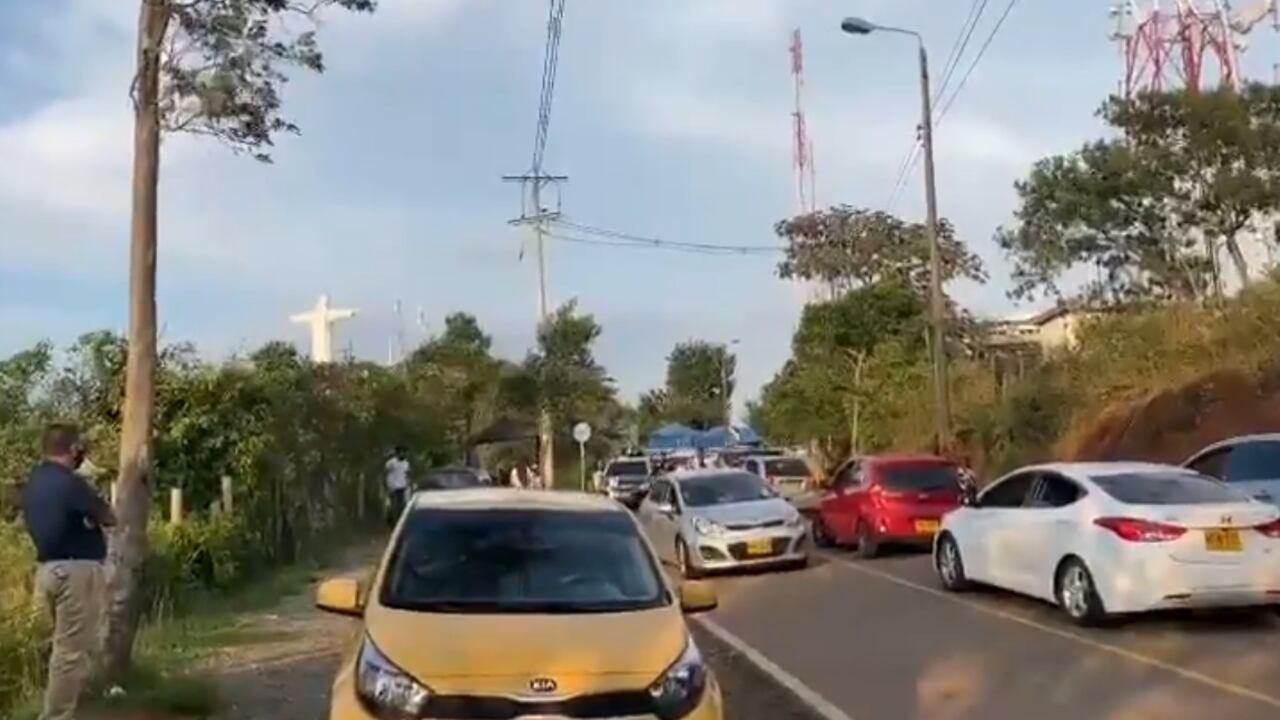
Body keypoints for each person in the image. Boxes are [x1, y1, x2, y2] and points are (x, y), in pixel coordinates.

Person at [21, 423, 116, 720]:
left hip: (47, 570)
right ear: (73, 449)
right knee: (70, 652)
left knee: (56, 647)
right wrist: (92, 516)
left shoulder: (34, 482)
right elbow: (109, 516)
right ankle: (57, 715)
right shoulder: (72, 484)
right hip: (76, 571)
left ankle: (61, 703)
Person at [384, 447, 410, 525]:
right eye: (401, 452)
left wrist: (408, 484)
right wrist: (387, 485)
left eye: (404, 452)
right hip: (393, 487)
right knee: (394, 506)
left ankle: (399, 522)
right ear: (397, 453)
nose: (403, 454)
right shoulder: (391, 462)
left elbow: (407, 474)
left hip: (402, 487)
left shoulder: (406, 463)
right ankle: (392, 522)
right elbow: (385, 472)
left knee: (401, 506)